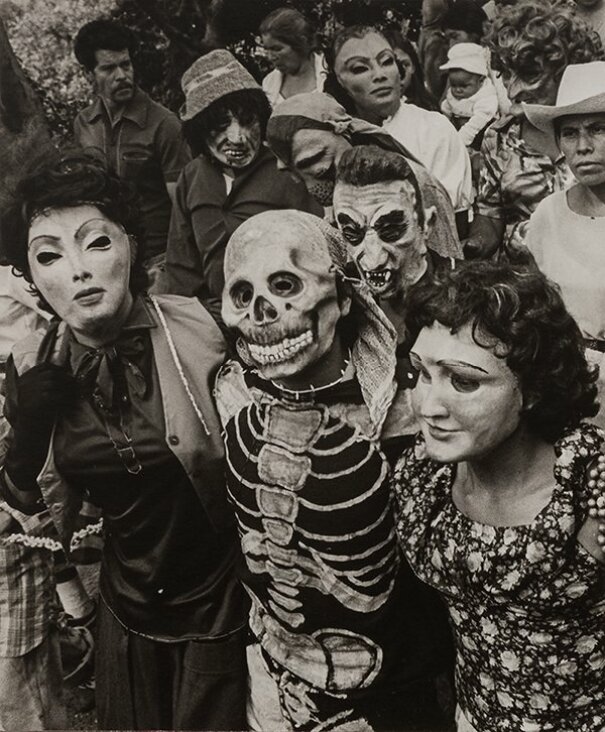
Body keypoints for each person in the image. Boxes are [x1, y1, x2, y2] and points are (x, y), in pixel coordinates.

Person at [0, 149, 248, 730]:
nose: (78, 270)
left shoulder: (205, 330)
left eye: (97, 242)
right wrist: (26, 435)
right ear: (32, 278)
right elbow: (21, 508)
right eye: (49, 255)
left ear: (132, 245)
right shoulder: (36, 368)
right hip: (129, 610)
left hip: (222, 603)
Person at [215, 209, 454, 732]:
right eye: (243, 296)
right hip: (273, 672)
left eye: (285, 286)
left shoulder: (409, 409)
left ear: (344, 298)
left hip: (395, 684)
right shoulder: (231, 396)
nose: (262, 312)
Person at [393, 260, 605, 732]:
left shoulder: (588, 489)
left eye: (464, 381)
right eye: (421, 373)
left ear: (530, 389)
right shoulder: (421, 477)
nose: (428, 406)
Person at [164, 49, 321, 304]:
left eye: (248, 121)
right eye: (220, 126)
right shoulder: (192, 177)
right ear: (200, 131)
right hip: (213, 317)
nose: (238, 137)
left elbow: (318, 251)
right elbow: (181, 270)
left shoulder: (287, 170)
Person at [465, 0, 602, 259]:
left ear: (566, 69)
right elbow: (490, 216)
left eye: (528, 74)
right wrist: (474, 245)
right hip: (526, 288)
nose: (512, 90)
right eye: (505, 73)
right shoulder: (499, 137)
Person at [266, 91, 463, 259]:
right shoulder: (335, 187)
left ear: (344, 132)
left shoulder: (410, 184)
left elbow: (445, 266)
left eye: (320, 156)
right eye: (305, 166)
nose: (320, 169)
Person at [73, 20, 191, 285]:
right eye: (109, 68)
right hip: (107, 261)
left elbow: (185, 206)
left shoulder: (164, 124)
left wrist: (176, 266)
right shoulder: (84, 124)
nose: (122, 75)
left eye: (125, 64)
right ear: (87, 74)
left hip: (159, 261)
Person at [524, 61, 605, 429]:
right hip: (569, 388)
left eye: (599, 129)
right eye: (570, 134)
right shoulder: (548, 216)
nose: (584, 147)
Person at [330, 26, 473, 231]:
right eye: (360, 68)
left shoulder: (434, 128)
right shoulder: (336, 136)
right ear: (339, 80)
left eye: (387, 61)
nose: (380, 75)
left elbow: (446, 215)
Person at [332, 145, 456, 345]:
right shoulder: (343, 302)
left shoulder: (471, 297)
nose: (374, 260)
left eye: (390, 230)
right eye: (352, 233)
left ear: (426, 224)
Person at [259, 7, 327, 107]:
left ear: (301, 43)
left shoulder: (329, 76)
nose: (270, 57)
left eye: (277, 49)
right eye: (267, 49)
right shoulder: (269, 83)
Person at [439, 43, 498, 149]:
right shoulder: (454, 94)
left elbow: (476, 123)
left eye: (464, 86)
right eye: (453, 85)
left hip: (480, 135)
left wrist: (460, 141)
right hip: (459, 131)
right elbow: (446, 109)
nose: (457, 90)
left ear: (480, 81)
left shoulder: (486, 97)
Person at [381, 30, 439, 111]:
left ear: (413, 66)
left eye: (405, 65)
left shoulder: (429, 107)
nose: (399, 74)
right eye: (388, 65)